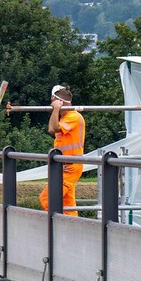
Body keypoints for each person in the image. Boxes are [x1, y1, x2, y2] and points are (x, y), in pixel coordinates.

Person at [42, 85, 85, 216]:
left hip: (70, 167)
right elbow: (52, 128)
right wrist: (56, 109)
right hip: (65, 165)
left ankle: (57, 229)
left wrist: (56, 108)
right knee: (67, 204)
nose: (51, 104)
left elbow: (53, 128)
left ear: (59, 101)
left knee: (47, 199)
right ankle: (74, 229)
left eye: (52, 101)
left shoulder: (73, 116)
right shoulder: (67, 117)